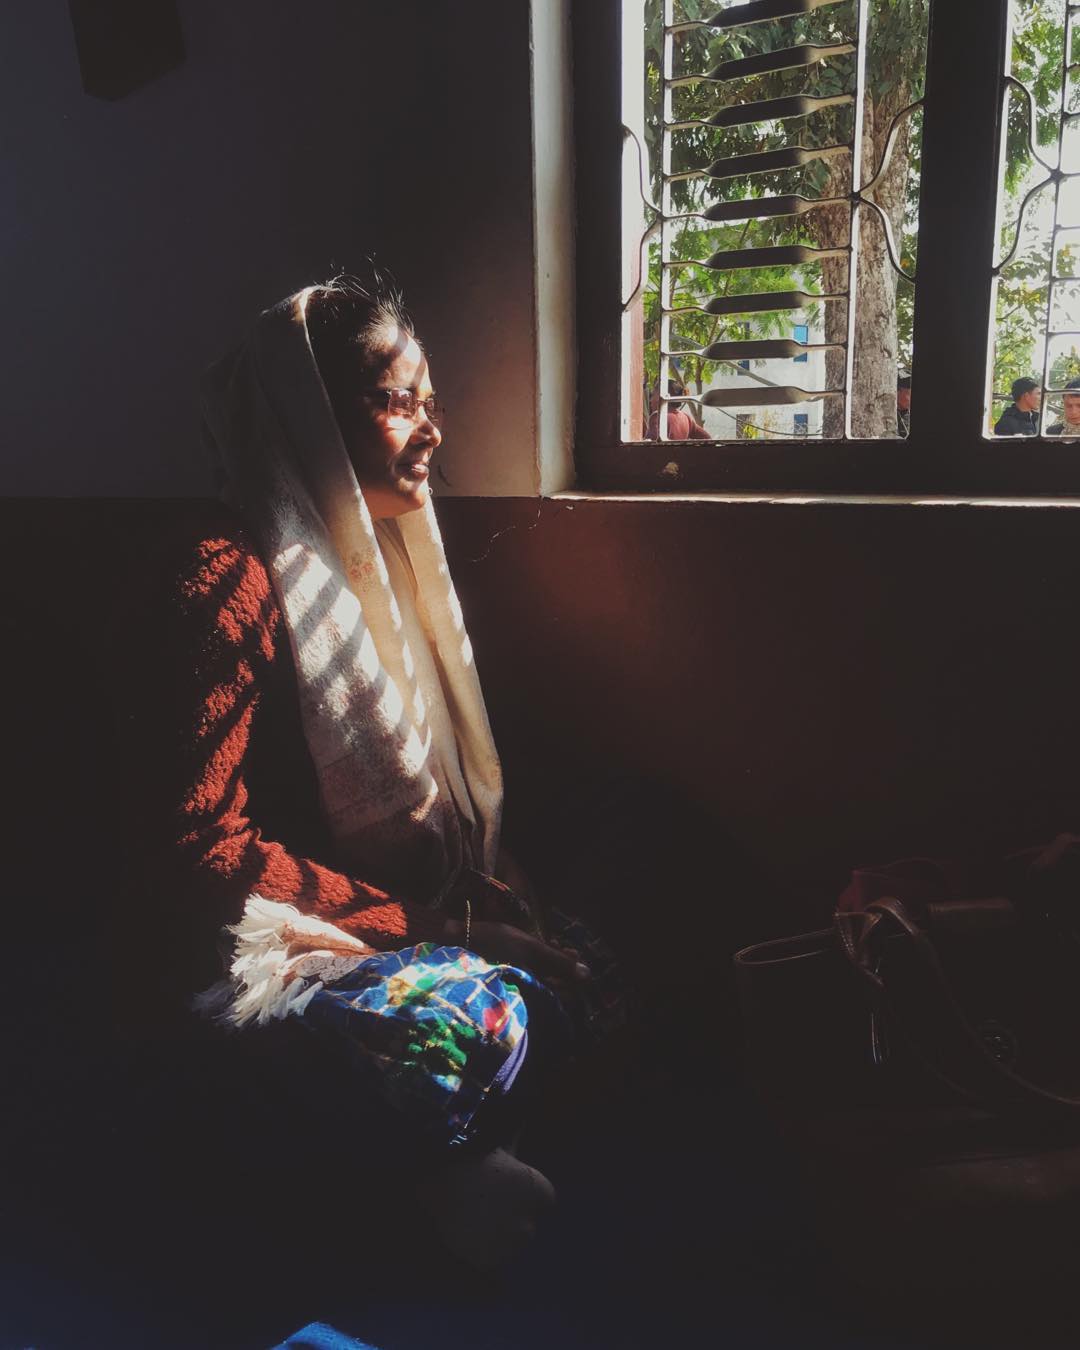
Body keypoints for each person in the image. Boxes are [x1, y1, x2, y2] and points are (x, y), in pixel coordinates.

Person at [140, 271, 596, 1270]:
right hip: (251, 940)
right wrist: (449, 930)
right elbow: (203, 854)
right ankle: (433, 1183)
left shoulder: (377, 577)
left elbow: (441, 816)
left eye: (430, 401)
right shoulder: (223, 574)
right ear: (306, 417)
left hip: (372, 916)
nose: (430, 428)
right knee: (476, 1017)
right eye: (396, 402)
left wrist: (496, 903)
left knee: (597, 918)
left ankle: (441, 1166)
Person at [645, 379, 711, 440]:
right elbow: (707, 437)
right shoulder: (686, 418)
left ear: (660, 396)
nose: (650, 400)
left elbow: (650, 447)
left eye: (653, 395)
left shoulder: (657, 417)